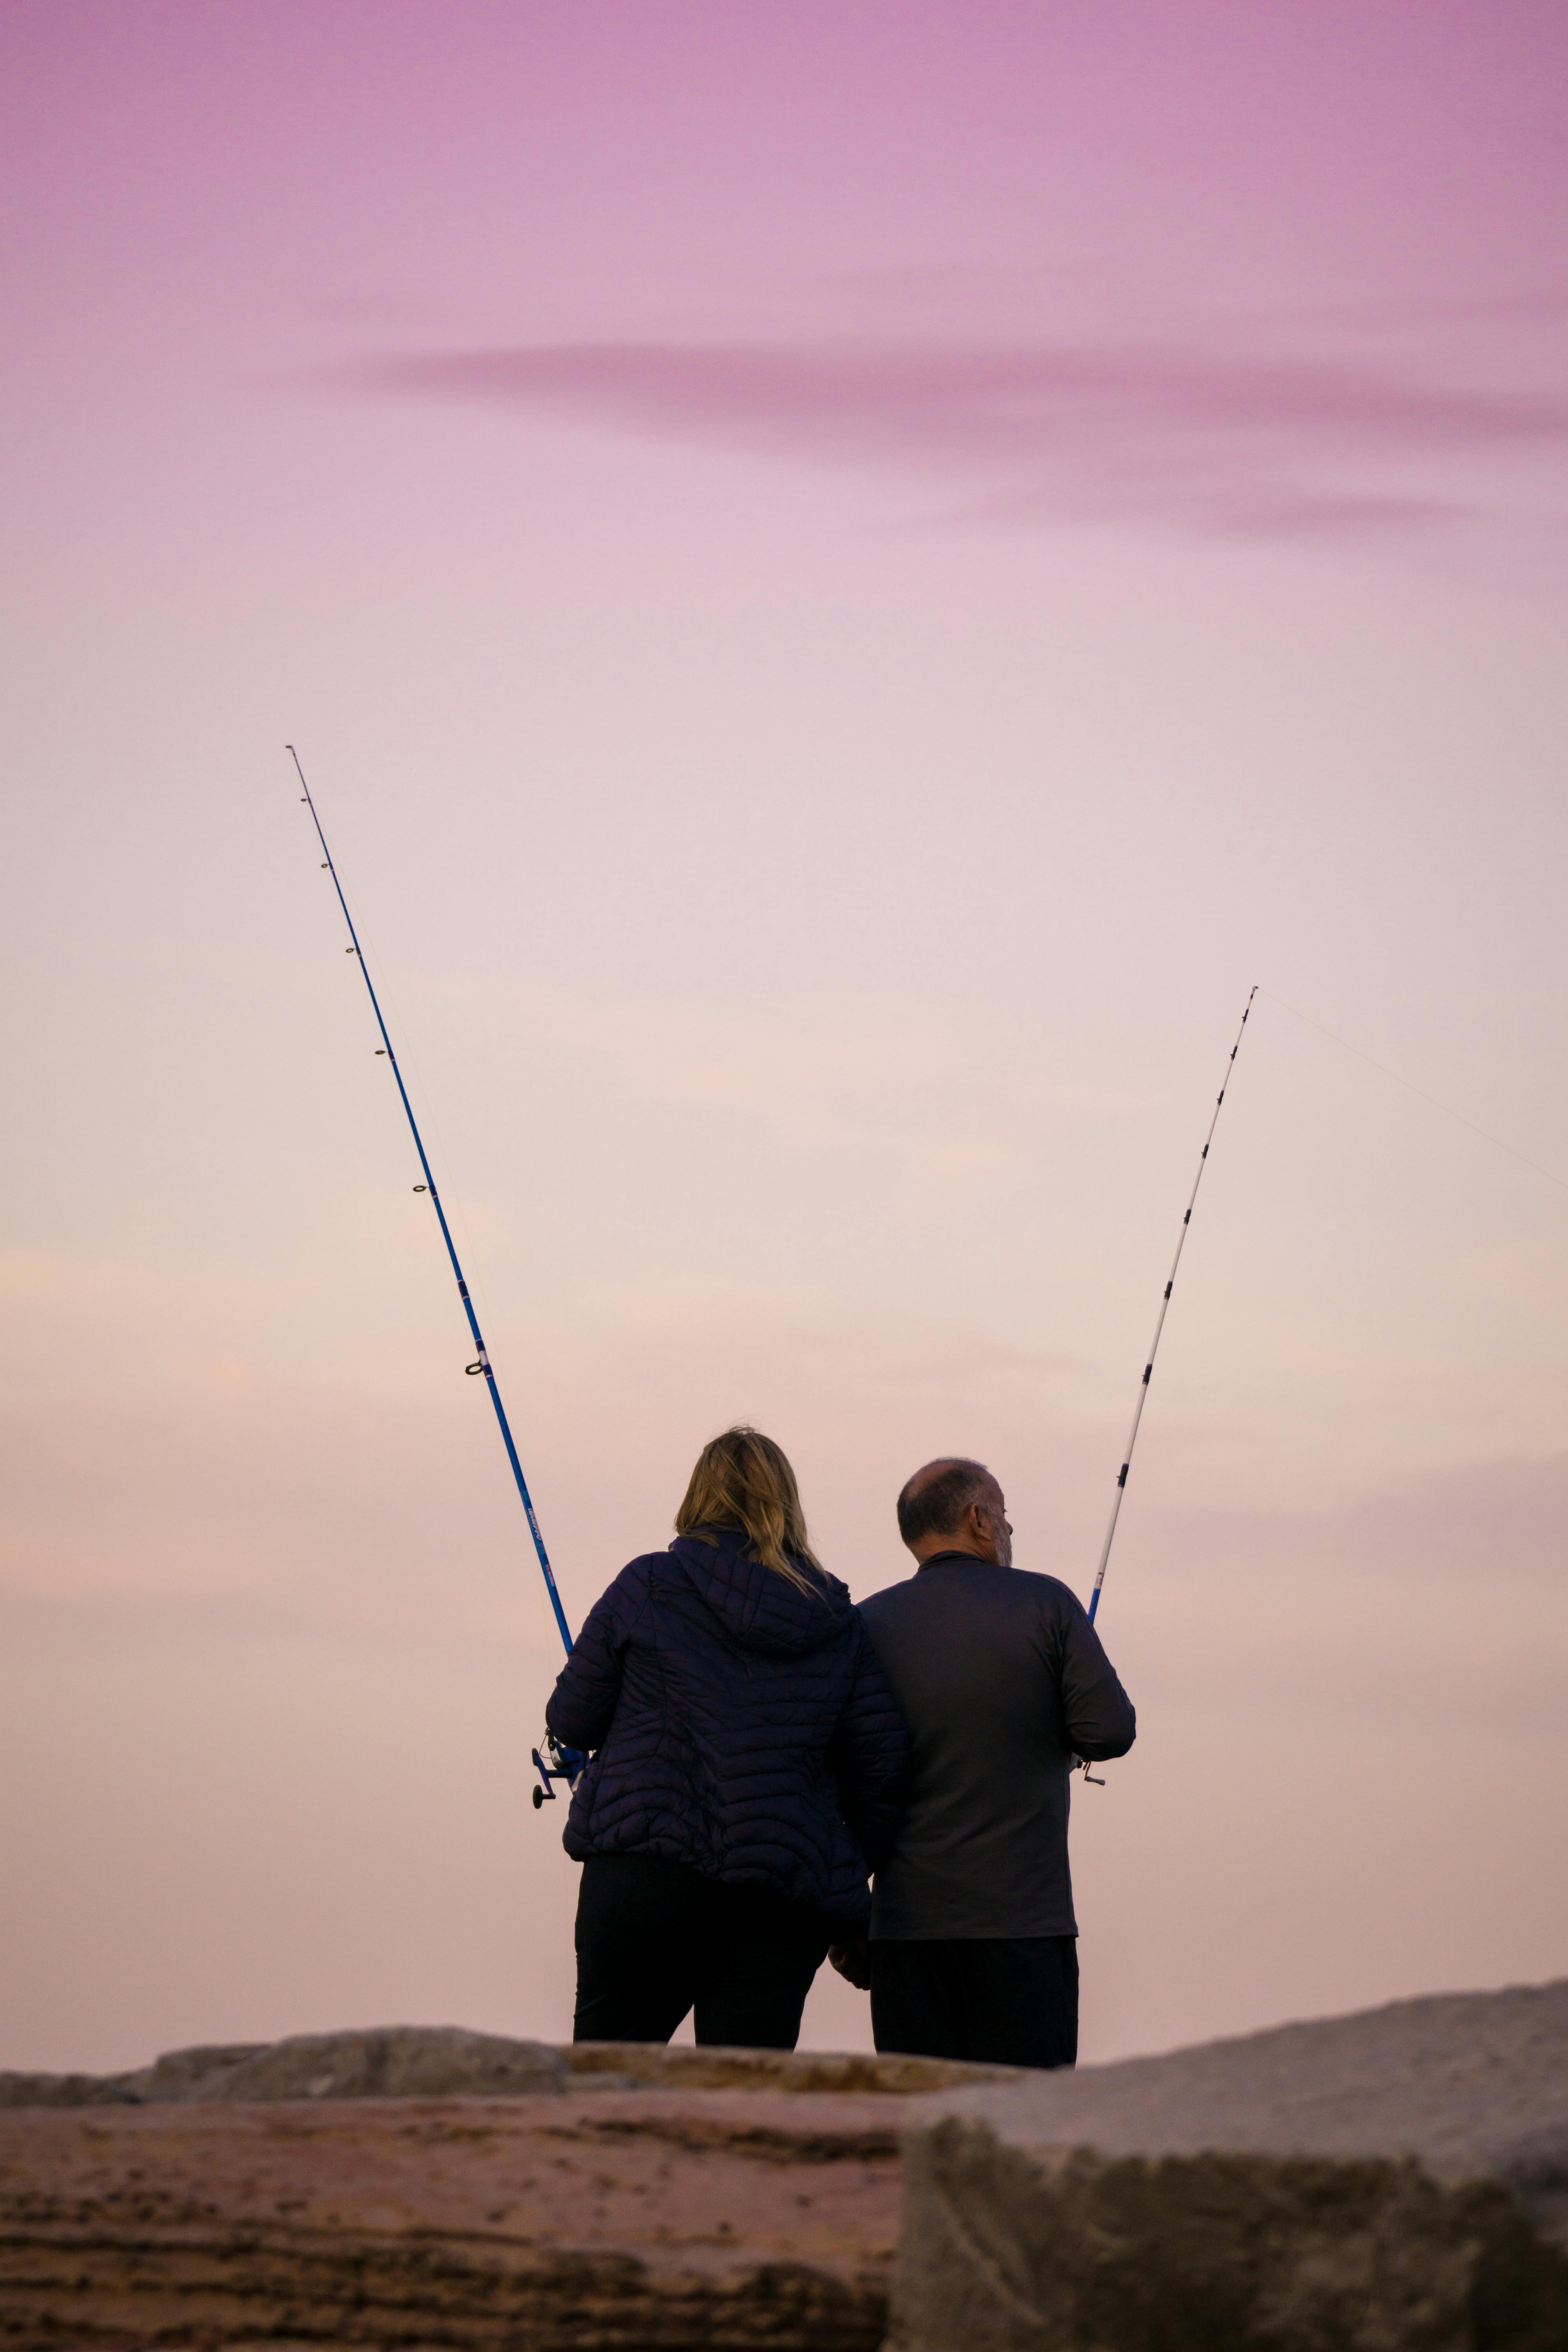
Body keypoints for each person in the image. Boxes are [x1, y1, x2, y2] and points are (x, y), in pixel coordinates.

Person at [546, 1425, 910, 2050]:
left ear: (698, 1497)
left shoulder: (648, 1585)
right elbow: (883, 1768)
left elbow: (573, 1719)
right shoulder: (835, 1621)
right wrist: (842, 1875)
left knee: (607, 2084)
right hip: (777, 1894)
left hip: (642, 1877)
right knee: (748, 2095)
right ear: (788, 1505)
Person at [845, 1457, 1135, 2069]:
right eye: (1004, 1517)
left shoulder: (863, 1625)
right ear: (979, 1520)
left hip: (904, 1938)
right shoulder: (1047, 1604)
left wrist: (844, 1921)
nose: (1007, 1532)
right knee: (1026, 2128)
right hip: (1023, 1930)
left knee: (920, 2130)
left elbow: (837, 1776)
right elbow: (1109, 1731)